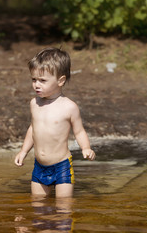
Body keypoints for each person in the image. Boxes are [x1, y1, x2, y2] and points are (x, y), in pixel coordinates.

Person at [14, 47, 96, 198]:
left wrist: (86, 148)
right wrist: (23, 151)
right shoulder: (35, 103)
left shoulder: (69, 107)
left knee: (64, 207)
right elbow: (33, 129)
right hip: (40, 166)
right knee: (37, 205)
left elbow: (79, 131)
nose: (36, 85)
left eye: (42, 80)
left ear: (60, 81)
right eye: (34, 79)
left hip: (61, 166)